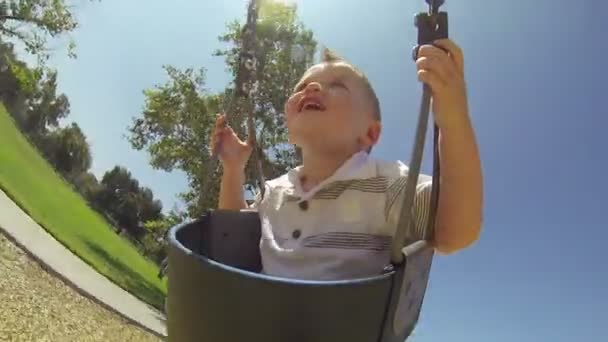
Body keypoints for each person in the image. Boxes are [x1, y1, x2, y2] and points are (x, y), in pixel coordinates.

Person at [211, 39, 483, 281]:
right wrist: (233, 168)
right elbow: (232, 240)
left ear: (370, 133)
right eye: (301, 86)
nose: (312, 87)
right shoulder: (273, 191)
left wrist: (452, 118)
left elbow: (454, 232)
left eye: (337, 85)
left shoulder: (387, 185)